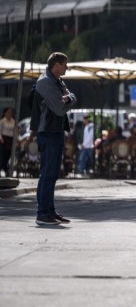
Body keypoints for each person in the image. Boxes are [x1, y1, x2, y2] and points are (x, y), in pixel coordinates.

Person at [31, 52, 77, 225]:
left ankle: (49, 211)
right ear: (56, 65)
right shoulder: (45, 82)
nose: (67, 67)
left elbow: (69, 97)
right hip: (48, 132)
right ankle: (42, 213)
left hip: (56, 131)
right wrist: (68, 98)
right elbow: (59, 108)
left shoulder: (57, 81)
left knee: (53, 174)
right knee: (47, 174)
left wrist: (67, 97)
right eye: (65, 64)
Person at [0, 107, 16, 177]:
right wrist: (1, 139)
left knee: (8, 156)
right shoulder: (2, 121)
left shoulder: (13, 121)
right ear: (5, 113)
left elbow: (15, 132)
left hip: (11, 140)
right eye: (8, 112)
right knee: (3, 156)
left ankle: (5, 169)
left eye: (11, 112)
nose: (10, 114)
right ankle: (6, 170)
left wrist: (17, 140)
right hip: (4, 140)